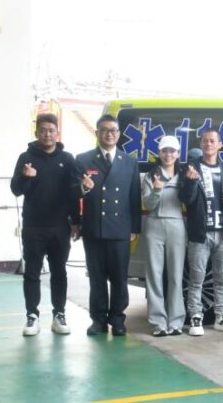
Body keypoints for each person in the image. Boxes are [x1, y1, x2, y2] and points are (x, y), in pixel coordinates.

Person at [10, 113, 79, 336]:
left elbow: (73, 193)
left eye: (51, 130)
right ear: (36, 132)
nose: (47, 134)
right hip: (33, 226)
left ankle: (59, 314)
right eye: (43, 130)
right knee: (32, 272)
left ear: (57, 132)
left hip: (60, 227)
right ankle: (32, 316)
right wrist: (26, 176)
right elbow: (16, 189)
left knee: (59, 272)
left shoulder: (68, 159)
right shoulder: (26, 157)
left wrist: (76, 222)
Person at [74, 114, 141, 336]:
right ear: (97, 133)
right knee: (97, 278)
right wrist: (83, 189)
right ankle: (98, 320)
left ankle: (118, 319)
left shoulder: (129, 162)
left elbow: (134, 197)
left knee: (119, 278)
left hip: (120, 229)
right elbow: (72, 193)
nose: (109, 134)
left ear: (119, 134)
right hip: (94, 227)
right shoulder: (83, 159)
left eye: (113, 130)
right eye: (104, 130)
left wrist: (135, 228)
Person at [181, 129, 223, 336]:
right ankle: (195, 318)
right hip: (200, 233)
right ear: (201, 144)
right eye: (205, 141)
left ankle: (221, 318)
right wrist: (190, 182)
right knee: (196, 279)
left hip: (222, 233)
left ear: (219, 145)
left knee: (221, 279)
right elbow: (186, 199)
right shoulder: (191, 168)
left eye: (212, 141)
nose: (208, 144)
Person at [139, 135, 186, 337]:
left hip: (177, 225)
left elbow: (190, 199)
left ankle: (176, 321)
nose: (168, 154)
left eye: (172, 151)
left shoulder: (184, 176)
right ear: (159, 153)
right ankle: (158, 322)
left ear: (178, 154)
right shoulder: (150, 176)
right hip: (154, 225)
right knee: (154, 275)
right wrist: (157, 190)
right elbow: (148, 204)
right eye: (165, 151)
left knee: (176, 275)